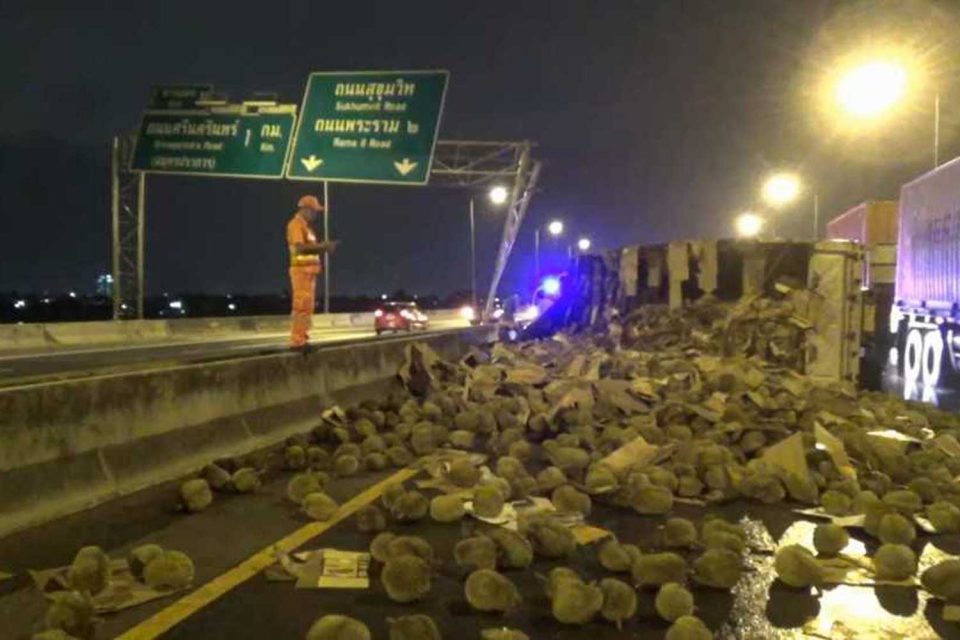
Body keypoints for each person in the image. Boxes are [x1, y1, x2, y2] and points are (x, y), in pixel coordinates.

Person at [287, 195, 337, 349]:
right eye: (315, 211)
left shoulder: (307, 228)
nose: (316, 214)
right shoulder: (295, 225)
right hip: (301, 272)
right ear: (306, 210)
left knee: (307, 308)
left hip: (309, 273)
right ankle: (297, 340)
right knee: (301, 306)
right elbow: (299, 248)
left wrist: (321, 248)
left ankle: (303, 337)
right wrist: (323, 247)